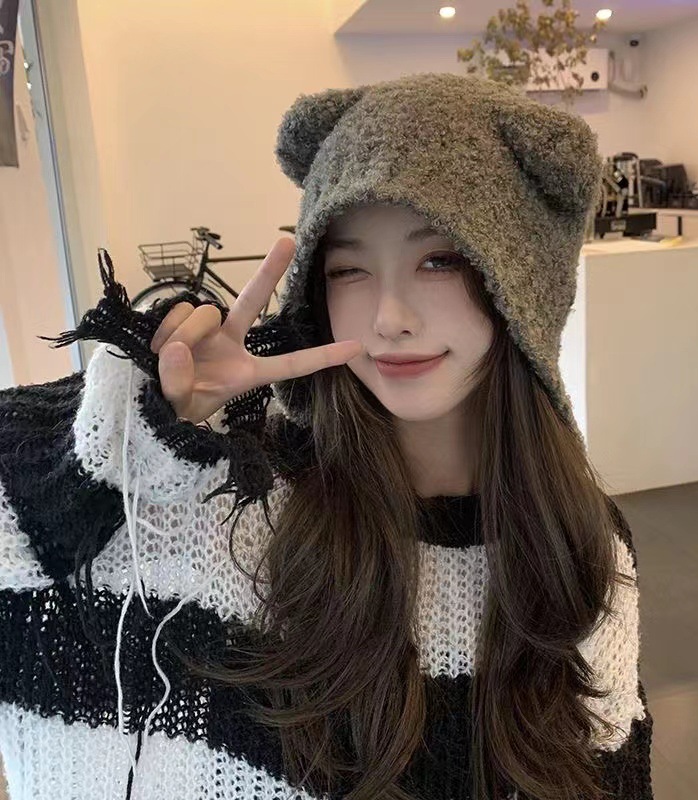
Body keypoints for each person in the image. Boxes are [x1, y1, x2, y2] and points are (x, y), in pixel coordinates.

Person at [0, 72, 653, 800]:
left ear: (523, 286)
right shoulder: (239, 504)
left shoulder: (584, 543)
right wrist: (128, 429)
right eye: (349, 269)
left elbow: (614, 769)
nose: (389, 318)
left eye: (439, 259)